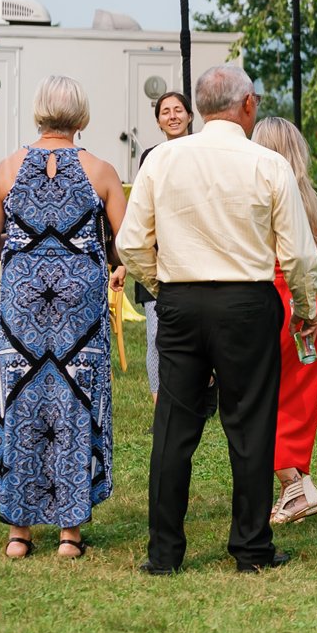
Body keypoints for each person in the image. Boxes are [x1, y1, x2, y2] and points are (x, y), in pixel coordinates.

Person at [117, 65, 317, 574]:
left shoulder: (161, 160)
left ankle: (164, 554)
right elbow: (296, 255)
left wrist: (162, 287)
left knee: (173, 430)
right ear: (247, 105)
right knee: (250, 426)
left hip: (181, 300)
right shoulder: (267, 164)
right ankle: (250, 547)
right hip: (247, 303)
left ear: (201, 108)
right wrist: (303, 307)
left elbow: (130, 243)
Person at [0, 76, 128, 559]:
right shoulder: (101, 172)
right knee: (76, 401)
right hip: (79, 308)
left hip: (22, 306)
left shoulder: (7, 170)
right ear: (81, 119)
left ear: (39, 114)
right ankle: (69, 535)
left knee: (18, 399)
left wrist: (23, 245)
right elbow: (130, 243)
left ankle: (19, 534)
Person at [252, 117, 317, 525]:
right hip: (308, 297)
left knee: (261, 394)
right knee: (297, 394)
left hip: (275, 294)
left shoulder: (261, 191)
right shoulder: (306, 195)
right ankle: (296, 485)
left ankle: (295, 486)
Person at [133, 90, 192, 402]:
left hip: (196, 257)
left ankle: (199, 393)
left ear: (190, 116)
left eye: (178, 109)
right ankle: (161, 404)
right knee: (156, 334)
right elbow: (141, 212)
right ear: (158, 121)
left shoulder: (201, 153)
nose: (172, 116)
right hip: (158, 257)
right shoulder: (150, 157)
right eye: (165, 111)